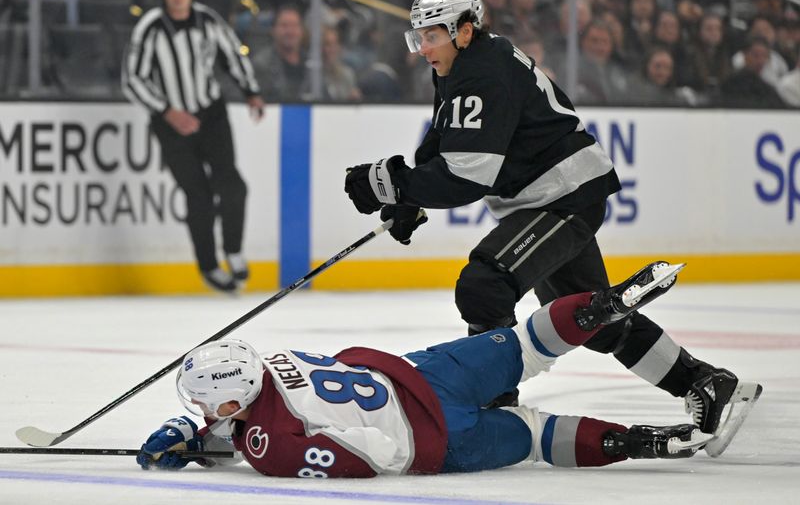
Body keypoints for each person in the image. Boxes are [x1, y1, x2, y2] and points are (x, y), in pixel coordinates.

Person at [342, 0, 753, 440]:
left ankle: (497, 405)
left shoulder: (482, 72)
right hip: (558, 196)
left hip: (561, 197)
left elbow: (467, 175)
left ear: (463, 30)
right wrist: (410, 196)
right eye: (418, 37)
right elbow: (446, 140)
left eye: (430, 36)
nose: (422, 48)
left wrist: (390, 184)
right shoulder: (465, 62)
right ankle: (702, 381)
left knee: (484, 285)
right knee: (591, 323)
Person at [137, 262, 760, 476]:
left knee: (540, 438)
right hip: (424, 375)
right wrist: (203, 439)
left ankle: (648, 443)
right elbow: (275, 413)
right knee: (525, 343)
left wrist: (213, 441)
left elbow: (366, 455)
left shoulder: (267, 445)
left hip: (437, 438)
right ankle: (606, 304)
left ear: (229, 402)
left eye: (205, 406)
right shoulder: (271, 364)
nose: (205, 412)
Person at [122, 0, 265, 293]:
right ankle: (209, 265)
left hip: (211, 113)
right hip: (171, 122)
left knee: (232, 185)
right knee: (198, 194)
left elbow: (232, 55)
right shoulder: (151, 26)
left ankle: (233, 250)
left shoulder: (207, 20)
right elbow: (132, 79)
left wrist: (251, 91)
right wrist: (167, 111)